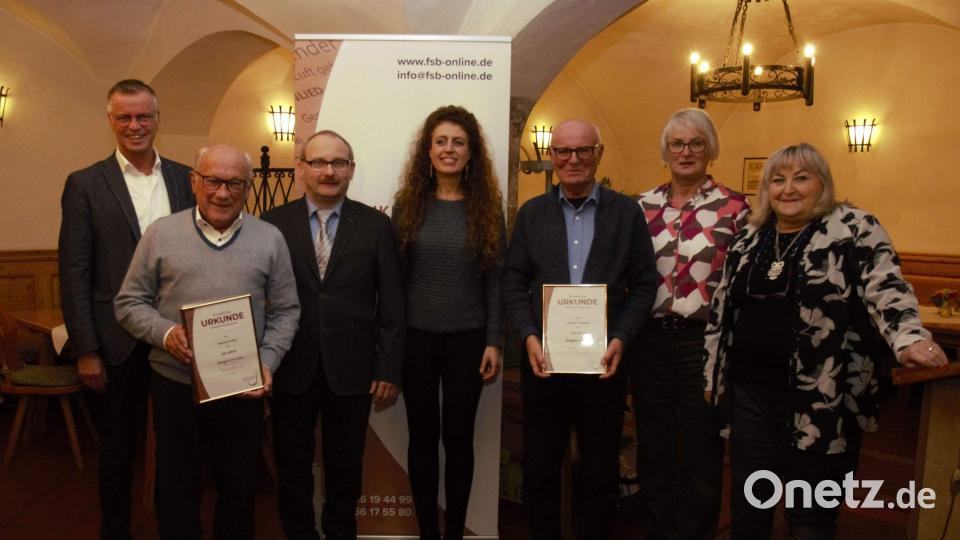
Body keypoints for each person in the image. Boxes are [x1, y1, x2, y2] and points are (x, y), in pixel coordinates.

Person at [703, 143, 948, 539]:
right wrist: (711, 376)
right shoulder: (750, 237)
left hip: (823, 398)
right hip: (751, 395)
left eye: (801, 178)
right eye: (777, 180)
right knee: (750, 505)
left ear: (823, 183)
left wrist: (907, 338)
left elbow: (887, 287)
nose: (788, 189)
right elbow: (722, 311)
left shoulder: (854, 228)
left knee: (811, 513)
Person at [114, 144, 300, 540]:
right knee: (177, 487)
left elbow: (287, 311)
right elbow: (128, 302)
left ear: (247, 187)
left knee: (239, 487)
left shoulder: (270, 239)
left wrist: (266, 362)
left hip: (242, 386)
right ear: (194, 181)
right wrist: (166, 335)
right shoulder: (161, 234)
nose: (222, 192)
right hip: (175, 383)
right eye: (213, 180)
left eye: (235, 183)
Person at [502, 119, 658, 540]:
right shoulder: (532, 214)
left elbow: (645, 286)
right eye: (563, 152)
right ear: (551, 157)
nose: (573, 160)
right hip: (543, 367)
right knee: (539, 473)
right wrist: (528, 336)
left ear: (598, 154)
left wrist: (621, 338)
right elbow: (514, 281)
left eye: (583, 151)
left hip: (603, 368)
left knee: (600, 474)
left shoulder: (626, 213)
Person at [58, 79, 194, 540]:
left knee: (180, 447)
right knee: (118, 450)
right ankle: (115, 532)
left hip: (179, 339)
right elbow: (74, 271)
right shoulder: (85, 184)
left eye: (143, 116)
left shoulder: (186, 177)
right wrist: (86, 349)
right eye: (124, 117)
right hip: (114, 340)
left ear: (158, 119)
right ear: (110, 121)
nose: (135, 126)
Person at [261, 130, 404, 540]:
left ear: (351, 170)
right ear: (301, 169)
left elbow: (392, 304)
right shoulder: (272, 224)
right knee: (292, 468)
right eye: (319, 162)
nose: (329, 171)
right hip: (290, 366)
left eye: (338, 163)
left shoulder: (376, 225)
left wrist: (389, 368)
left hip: (353, 370)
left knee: (345, 470)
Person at [632, 108, 750, 540]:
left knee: (702, 451)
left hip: (705, 346)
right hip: (649, 343)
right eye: (677, 144)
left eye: (696, 143)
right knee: (655, 449)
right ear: (665, 151)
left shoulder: (737, 208)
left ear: (710, 151)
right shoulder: (640, 207)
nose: (686, 152)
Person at [392, 105, 505, 540]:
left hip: (468, 342)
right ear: (428, 150)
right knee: (422, 439)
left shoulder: (487, 207)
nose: (449, 149)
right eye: (440, 141)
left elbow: (495, 279)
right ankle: (428, 534)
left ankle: (454, 532)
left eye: (458, 142)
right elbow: (396, 280)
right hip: (416, 341)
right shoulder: (408, 205)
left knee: (458, 441)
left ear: (471, 152)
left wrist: (494, 340)